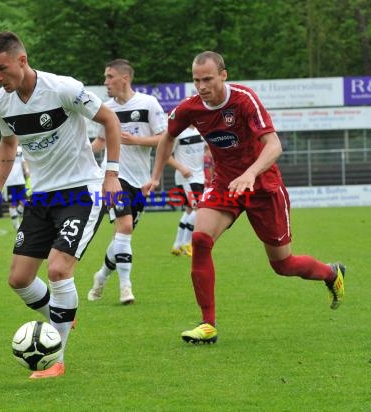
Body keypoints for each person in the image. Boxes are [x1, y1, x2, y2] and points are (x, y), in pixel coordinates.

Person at [143, 51, 346, 344]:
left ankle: (330, 273)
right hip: (225, 185)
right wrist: (155, 176)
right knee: (200, 241)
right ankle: (207, 324)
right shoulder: (190, 108)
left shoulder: (244, 99)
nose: (201, 86)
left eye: (208, 79)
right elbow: (167, 137)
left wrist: (250, 174)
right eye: (196, 80)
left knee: (282, 264)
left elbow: (273, 145)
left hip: (263, 187)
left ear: (223, 75)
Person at [0, 31, 121, 379]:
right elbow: (8, 147)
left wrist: (111, 175)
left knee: (58, 270)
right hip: (41, 197)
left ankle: (57, 357)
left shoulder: (63, 89)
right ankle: (63, 316)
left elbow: (110, 121)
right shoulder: (2, 104)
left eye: (2, 68)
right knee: (19, 279)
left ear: (21, 60)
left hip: (80, 192)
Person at [87, 59, 167, 305]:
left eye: (109, 76)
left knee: (122, 237)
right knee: (125, 228)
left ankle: (101, 276)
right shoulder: (105, 108)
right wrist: (80, 158)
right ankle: (126, 288)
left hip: (140, 180)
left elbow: (164, 138)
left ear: (125, 78)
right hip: (112, 177)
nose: (105, 81)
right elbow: (100, 142)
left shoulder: (148, 103)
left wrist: (136, 141)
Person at [167, 125, 205, 257]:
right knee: (199, 208)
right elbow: (166, 155)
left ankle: (177, 245)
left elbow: (207, 148)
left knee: (190, 209)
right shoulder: (178, 131)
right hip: (186, 178)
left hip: (199, 177)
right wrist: (181, 168)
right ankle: (187, 243)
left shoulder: (201, 128)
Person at [0, 145, 30, 230]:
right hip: (9, 181)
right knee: (13, 203)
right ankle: (16, 225)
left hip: (20, 180)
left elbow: (23, 162)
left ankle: (17, 214)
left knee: (24, 201)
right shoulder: (1, 150)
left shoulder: (19, 149)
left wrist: (26, 170)